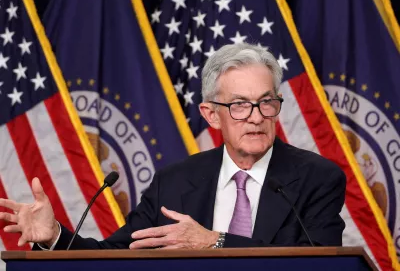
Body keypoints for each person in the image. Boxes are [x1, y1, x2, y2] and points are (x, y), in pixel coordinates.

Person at [0, 43, 346, 250]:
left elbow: (319, 259)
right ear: (211, 114)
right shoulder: (176, 182)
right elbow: (115, 256)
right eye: (239, 105)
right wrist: (55, 236)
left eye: (266, 102)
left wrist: (214, 242)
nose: (256, 117)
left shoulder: (317, 177)